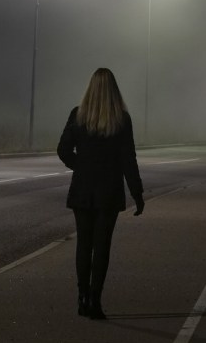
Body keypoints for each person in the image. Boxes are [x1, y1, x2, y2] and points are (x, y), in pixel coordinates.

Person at [57, 68, 144, 320]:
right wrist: (137, 193)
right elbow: (129, 160)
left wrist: (81, 166)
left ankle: (82, 297)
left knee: (83, 245)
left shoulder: (78, 115)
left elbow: (63, 149)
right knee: (102, 246)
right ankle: (96, 299)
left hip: (83, 189)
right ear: (114, 90)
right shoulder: (122, 120)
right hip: (109, 190)